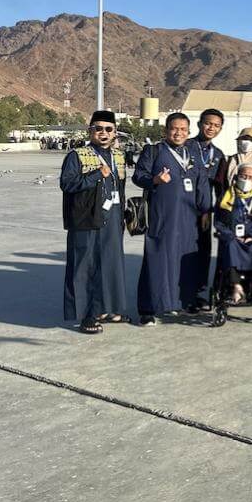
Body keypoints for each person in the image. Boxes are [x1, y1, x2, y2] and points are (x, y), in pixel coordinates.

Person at [133, 113, 212, 326]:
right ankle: (148, 308)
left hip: (189, 218)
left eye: (183, 129)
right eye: (174, 129)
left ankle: (179, 302)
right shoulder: (154, 151)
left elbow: (202, 182)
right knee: (157, 259)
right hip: (163, 216)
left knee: (183, 260)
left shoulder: (193, 152)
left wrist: (205, 209)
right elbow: (138, 176)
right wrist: (155, 180)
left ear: (188, 131)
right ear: (166, 130)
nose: (179, 133)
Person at [59, 110, 129, 334]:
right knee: (85, 267)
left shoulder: (119, 156)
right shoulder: (77, 155)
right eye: (98, 128)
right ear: (90, 131)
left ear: (115, 132)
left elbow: (121, 188)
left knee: (110, 266)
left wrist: (124, 217)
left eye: (108, 129)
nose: (103, 133)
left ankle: (107, 308)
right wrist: (97, 174)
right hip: (86, 219)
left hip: (113, 217)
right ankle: (87, 315)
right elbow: (67, 184)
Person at [214, 163, 252, 304]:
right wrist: (232, 235)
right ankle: (237, 288)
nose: (246, 180)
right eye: (243, 176)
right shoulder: (225, 197)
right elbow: (219, 223)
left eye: (250, 177)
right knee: (230, 245)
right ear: (236, 177)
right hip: (233, 237)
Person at [187, 108, 226, 311]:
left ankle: (199, 292)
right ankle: (182, 292)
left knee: (202, 249)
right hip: (183, 209)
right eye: (208, 123)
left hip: (204, 211)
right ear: (199, 123)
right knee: (182, 250)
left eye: (216, 125)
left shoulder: (218, 155)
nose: (211, 128)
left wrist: (220, 214)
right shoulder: (185, 147)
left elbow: (220, 188)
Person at [219, 127, 252, 195]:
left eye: (251, 140)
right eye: (244, 139)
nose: (247, 142)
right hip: (230, 200)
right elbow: (220, 184)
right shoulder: (227, 160)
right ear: (238, 141)